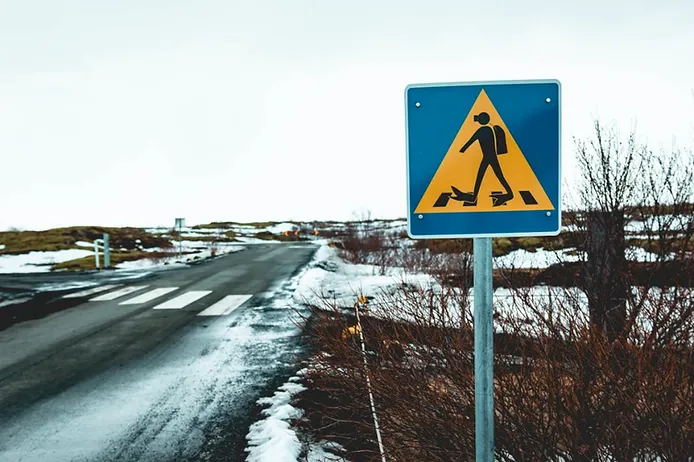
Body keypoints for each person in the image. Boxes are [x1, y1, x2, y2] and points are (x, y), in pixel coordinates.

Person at [455, 112, 513, 205]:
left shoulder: (482, 130)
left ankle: (510, 194)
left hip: (489, 156)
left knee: (488, 175)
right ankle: (509, 194)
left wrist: (461, 151)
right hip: (489, 156)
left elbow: (471, 141)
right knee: (492, 175)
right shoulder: (492, 128)